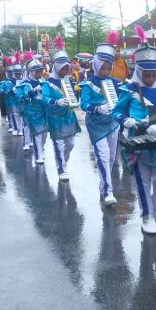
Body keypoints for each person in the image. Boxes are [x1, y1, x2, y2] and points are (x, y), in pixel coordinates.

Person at [113, 42, 156, 235]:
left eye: (153, 75)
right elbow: (116, 112)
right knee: (143, 180)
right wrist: (126, 121)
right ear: (139, 72)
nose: (149, 79)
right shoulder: (129, 89)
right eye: (145, 75)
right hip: (136, 141)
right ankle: (146, 215)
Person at [79, 35, 121, 206]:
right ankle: (108, 191)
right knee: (103, 156)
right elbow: (84, 105)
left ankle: (104, 183)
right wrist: (97, 108)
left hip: (112, 123)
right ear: (96, 66)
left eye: (108, 68)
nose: (105, 71)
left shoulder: (116, 83)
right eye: (102, 68)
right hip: (95, 124)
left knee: (111, 157)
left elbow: (123, 100)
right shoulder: (87, 84)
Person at [42, 39, 82, 181]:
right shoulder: (48, 83)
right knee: (58, 143)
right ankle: (61, 169)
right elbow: (45, 99)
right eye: (63, 68)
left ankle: (62, 162)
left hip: (68, 116)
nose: (66, 71)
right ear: (57, 67)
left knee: (70, 144)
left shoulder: (69, 80)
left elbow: (73, 95)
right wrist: (57, 101)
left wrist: (74, 100)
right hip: (55, 118)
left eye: (67, 68)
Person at [16, 55, 49, 164]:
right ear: (32, 72)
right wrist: (34, 90)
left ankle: (41, 149)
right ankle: (36, 152)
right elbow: (25, 95)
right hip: (31, 111)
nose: (40, 74)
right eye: (38, 72)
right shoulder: (26, 83)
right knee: (34, 131)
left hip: (43, 111)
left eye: (41, 71)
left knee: (44, 133)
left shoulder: (43, 82)